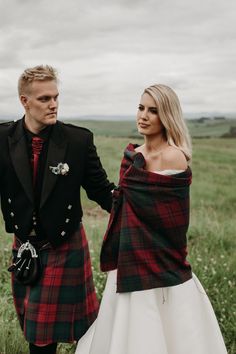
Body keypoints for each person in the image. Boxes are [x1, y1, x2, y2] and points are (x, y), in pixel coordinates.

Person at [75, 84, 227, 354]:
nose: (143, 115)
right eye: (141, 107)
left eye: (153, 110)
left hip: (161, 258)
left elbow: (172, 222)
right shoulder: (134, 155)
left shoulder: (174, 157)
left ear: (166, 116)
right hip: (129, 253)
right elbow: (125, 206)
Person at [0, 65, 114, 354]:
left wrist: (139, 209)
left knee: (44, 336)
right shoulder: (3, 139)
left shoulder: (77, 141)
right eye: (44, 99)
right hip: (25, 244)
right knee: (34, 327)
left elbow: (101, 190)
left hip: (64, 243)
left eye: (56, 97)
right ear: (24, 101)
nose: (53, 105)